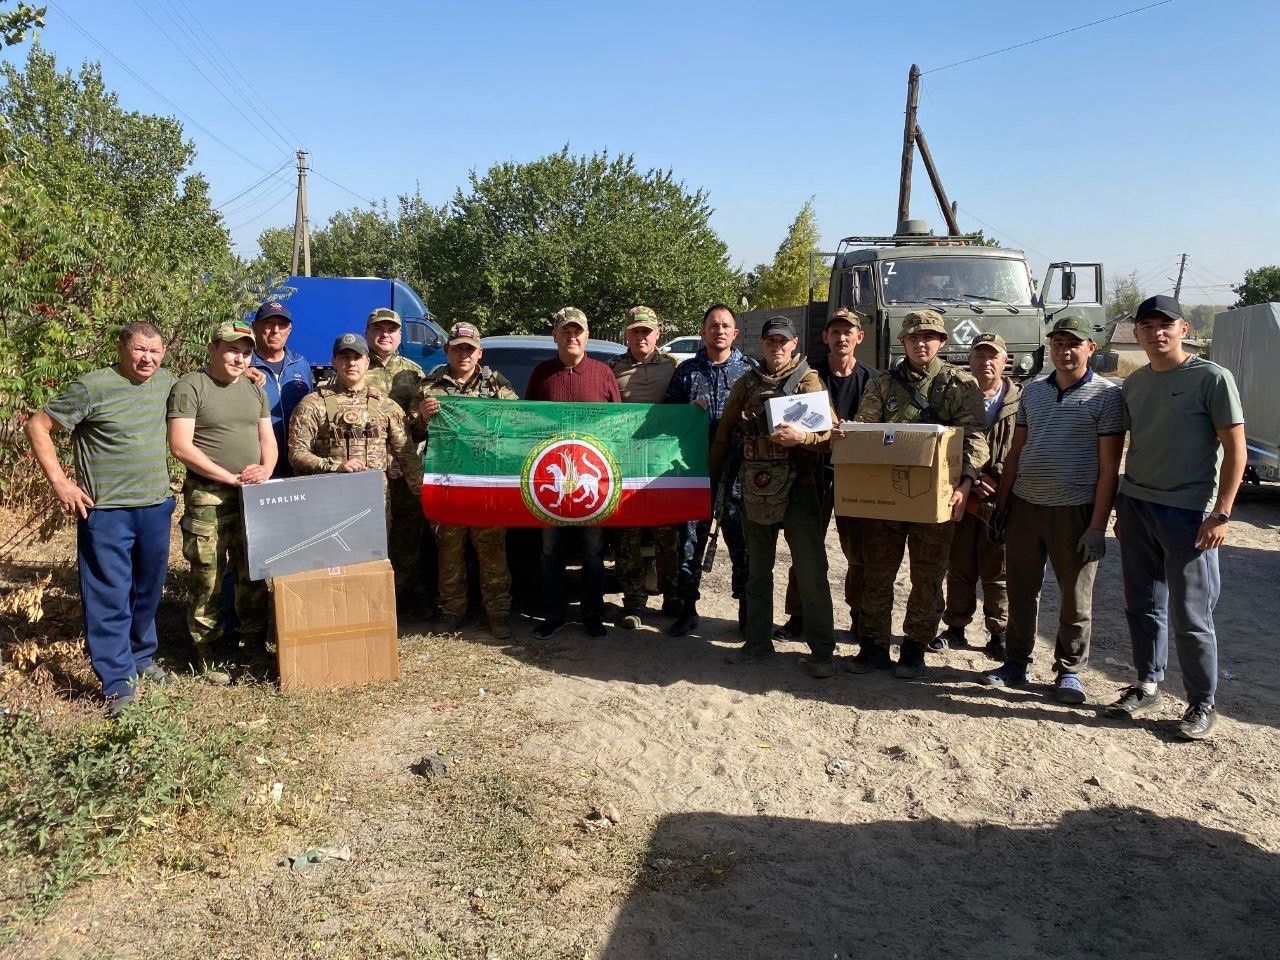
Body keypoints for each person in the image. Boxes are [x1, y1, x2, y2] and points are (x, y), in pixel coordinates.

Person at [1105, 295, 1245, 740]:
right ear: (1138, 333)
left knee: (1191, 615)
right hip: (1138, 506)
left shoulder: (1211, 378)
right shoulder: (1135, 383)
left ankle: (1202, 703)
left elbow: (1236, 451)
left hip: (1190, 514)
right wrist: (1121, 507)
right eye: (1146, 326)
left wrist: (1221, 513)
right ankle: (1147, 683)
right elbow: (1132, 446)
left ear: (1184, 328)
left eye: (1165, 325)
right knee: (1142, 606)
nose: (1155, 333)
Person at [25, 322, 176, 715]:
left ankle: (141, 657)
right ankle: (117, 680)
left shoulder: (168, 384)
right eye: (140, 350)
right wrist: (61, 483)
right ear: (121, 348)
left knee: (148, 590)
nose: (148, 358)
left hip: (156, 507)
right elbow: (37, 426)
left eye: (155, 351)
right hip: (106, 510)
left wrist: (247, 373)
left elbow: (205, 392)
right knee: (109, 594)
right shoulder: (92, 387)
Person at [980, 314, 1123, 703]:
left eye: (1073, 343)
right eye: (1058, 343)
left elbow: (1110, 468)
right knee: (1021, 589)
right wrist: (1003, 504)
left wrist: (1097, 525)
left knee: (1075, 597)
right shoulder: (1034, 394)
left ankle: (1070, 670)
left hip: (1074, 512)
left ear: (1090, 348)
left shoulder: (1107, 397)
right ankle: (1016, 662)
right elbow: (1016, 453)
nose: (1065, 350)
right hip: (1026, 507)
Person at [851, 310, 988, 680]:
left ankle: (914, 647)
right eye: (913, 338)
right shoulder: (883, 384)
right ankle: (874, 644)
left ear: (942, 341)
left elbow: (974, 439)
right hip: (887, 496)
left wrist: (965, 484)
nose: (920, 343)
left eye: (928, 337)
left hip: (936, 497)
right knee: (878, 571)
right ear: (903, 342)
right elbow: (866, 429)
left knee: (927, 576)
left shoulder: (959, 384)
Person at [710, 316, 836, 678]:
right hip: (757, 487)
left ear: (794, 343)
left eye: (783, 341)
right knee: (757, 570)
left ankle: (823, 652)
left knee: (811, 573)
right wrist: (712, 481)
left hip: (801, 489)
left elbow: (833, 435)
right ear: (761, 345)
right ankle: (757, 642)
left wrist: (804, 439)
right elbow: (724, 435)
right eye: (770, 342)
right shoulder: (746, 384)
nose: (776, 347)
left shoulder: (808, 382)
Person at [167, 320, 276, 681]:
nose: (239, 358)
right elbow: (181, 446)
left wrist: (265, 470)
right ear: (212, 348)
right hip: (209, 496)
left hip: (252, 495)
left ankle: (253, 644)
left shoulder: (255, 390)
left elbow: (267, 440)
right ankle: (209, 650)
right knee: (208, 574)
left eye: (246, 352)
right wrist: (227, 477)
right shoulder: (191, 386)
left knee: (253, 572)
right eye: (232, 350)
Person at [775, 307, 879, 644]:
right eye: (835, 332)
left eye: (848, 332)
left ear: (859, 338)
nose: (842, 337)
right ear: (825, 337)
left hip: (856, 475)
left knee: (858, 552)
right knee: (806, 548)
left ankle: (858, 615)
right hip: (813, 472)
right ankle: (798, 615)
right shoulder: (808, 378)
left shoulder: (873, 380)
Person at [288, 334, 425, 575]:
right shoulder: (312, 404)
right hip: (328, 503)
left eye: (357, 357)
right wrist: (335, 466)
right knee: (330, 565)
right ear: (333, 361)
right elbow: (297, 454)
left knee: (373, 563)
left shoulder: (386, 406)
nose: (351, 363)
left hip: (375, 503)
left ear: (366, 362)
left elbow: (407, 456)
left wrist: (426, 496)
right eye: (345, 357)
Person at [416, 322, 519, 639]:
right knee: (449, 553)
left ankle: (498, 615)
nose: (464, 354)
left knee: (492, 554)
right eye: (458, 348)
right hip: (448, 483)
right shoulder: (430, 386)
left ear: (479, 353)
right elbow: (413, 432)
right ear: (448, 350)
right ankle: (451, 613)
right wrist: (421, 415)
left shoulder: (495, 386)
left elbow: (517, 423)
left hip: (486, 484)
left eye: (469, 349)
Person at [525, 307, 620, 640]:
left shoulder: (603, 373)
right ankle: (554, 614)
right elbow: (526, 423)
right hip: (550, 484)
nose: (572, 337)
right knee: (551, 551)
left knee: (593, 552)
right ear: (556, 336)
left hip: (590, 479)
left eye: (578, 331)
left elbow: (619, 424)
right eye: (565, 331)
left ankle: (592, 614)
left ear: (587, 336)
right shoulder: (541, 374)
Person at [663, 303, 755, 637]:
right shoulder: (687, 371)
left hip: (737, 473)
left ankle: (747, 610)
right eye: (713, 325)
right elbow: (666, 419)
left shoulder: (750, 371)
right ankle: (687, 609)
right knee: (689, 541)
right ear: (703, 331)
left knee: (741, 543)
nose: (719, 330)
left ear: (735, 332)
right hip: (695, 471)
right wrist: (687, 412)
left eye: (725, 325)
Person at [934, 332, 1022, 660]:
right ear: (969, 360)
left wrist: (996, 477)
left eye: (992, 356)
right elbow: (945, 442)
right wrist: (964, 478)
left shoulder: (1020, 402)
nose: (985, 362)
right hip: (961, 494)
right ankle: (955, 626)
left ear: (1004, 361)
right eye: (979, 356)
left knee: (996, 569)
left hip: (1000, 498)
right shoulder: (957, 398)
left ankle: (998, 632)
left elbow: (1023, 448)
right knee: (958, 564)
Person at [609, 305, 681, 630]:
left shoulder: (675, 367)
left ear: (657, 334)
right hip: (625, 466)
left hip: (663, 467)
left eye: (647, 331)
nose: (642, 337)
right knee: (628, 540)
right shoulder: (611, 369)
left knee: (668, 538)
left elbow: (687, 403)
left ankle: (672, 598)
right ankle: (634, 603)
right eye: (636, 331)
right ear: (627, 334)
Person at [363, 307, 430, 615]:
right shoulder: (356, 365)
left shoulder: (414, 372)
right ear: (368, 333)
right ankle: (371, 597)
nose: (384, 335)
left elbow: (418, 424)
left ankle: (404, 594)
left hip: (406, 465)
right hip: (367, 467)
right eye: (378, 329)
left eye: (391, 330)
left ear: (400, 335)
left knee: (408, 530)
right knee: (372, 532)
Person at [249, 300, 313, 478]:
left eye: (282, 325)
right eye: (269, 323)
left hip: (297, 463)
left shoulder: (300, 364)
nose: (275, 330)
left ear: (289, 330)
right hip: (258, 464)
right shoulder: (243, 367)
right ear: (255, 326)